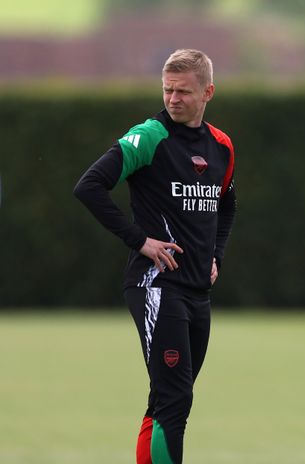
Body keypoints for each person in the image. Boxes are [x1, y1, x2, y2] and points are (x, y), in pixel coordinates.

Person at [73, 49, 236, 464]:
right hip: (156, 286)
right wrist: (139, 240)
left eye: (183, 91)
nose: (173, 99)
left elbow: (227, 203)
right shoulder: (149, 136)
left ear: (208, 92)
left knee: (168, 400)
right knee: (175, 401)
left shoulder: (221, 147)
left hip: (197, 292)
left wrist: (215, 253)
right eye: (167, 89)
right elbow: (90, 186)